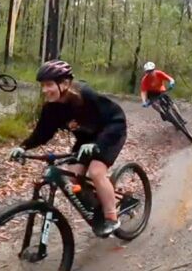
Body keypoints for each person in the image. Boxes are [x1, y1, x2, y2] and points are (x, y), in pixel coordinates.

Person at [9, 60, 127, 237]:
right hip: (85, 139)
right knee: (73, 178)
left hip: (111, 132)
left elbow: (112, 121)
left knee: (96, 172)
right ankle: (97, 207)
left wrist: (97, 145)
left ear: (64, 83)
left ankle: (111, 217)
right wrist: (23, 147)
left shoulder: (85, 96)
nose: (45, 90)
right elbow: (43, 133)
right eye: (43, 85)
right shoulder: (51, 107)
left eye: (49, 85)